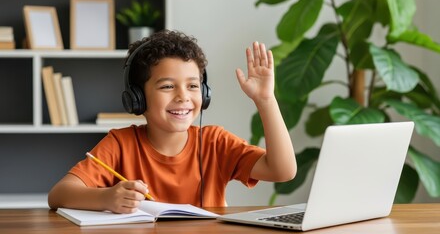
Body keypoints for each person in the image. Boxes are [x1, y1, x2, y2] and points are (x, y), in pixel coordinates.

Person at [48, 30, 296, 213]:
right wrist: (107, 198)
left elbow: (282, 170)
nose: (183, 97)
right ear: (138, 98)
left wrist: (265, 100)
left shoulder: (215, 142)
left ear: (205, 93)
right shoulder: (120, 144)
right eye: (167, 86)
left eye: (193, 86)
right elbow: (58, 195)